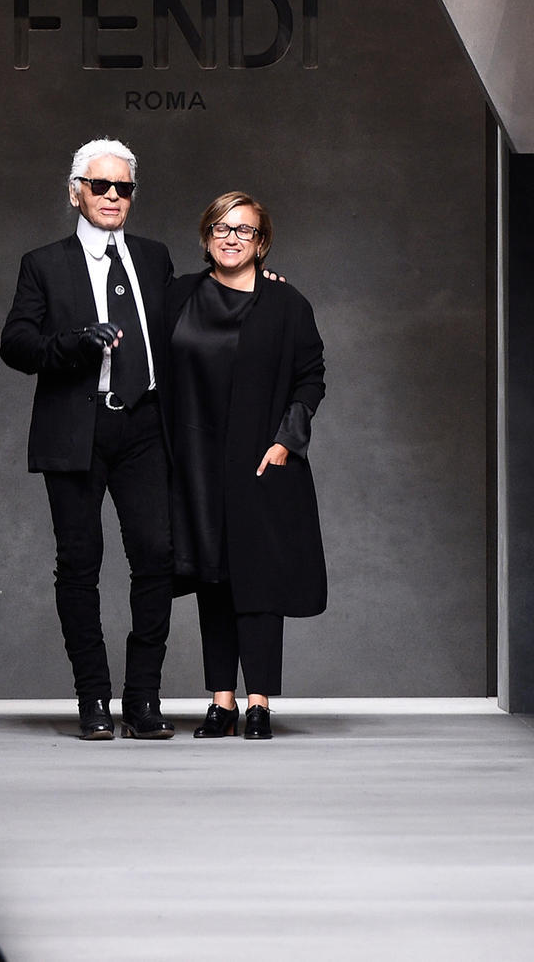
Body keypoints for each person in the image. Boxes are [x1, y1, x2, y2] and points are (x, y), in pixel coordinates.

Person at [0, 139, 179, 741]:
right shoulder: (43, 263)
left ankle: (143, 698)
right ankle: (94, 699)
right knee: (80, 563)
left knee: (156, 557)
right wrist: (73, 344)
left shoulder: (153, 258)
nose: (112, 197)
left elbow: (190, 318)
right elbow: (15, 344)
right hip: (78, 426)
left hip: (145, 425)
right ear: (75, 192)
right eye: (100, 186)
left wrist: (258, 284)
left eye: (123, 188)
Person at [162, 192, 327, 740]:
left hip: (260, 462)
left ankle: (259, 703)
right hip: (195, 463)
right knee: (211, 579)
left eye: (244, 230)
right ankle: (221, 703)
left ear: (262, 242)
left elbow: (311, 376)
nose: (231, 238)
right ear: (207, 236)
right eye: (221, 228)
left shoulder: (286, 303)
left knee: (258, 581)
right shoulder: (178, 295)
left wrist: (286, 442)